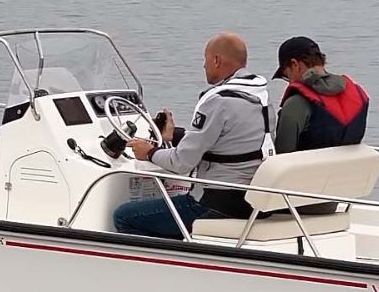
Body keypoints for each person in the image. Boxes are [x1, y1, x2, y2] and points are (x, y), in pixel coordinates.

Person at [113, 32, 272, 239]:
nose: (203, 66)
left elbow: (181, 163)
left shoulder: (217, 101)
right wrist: (175, 135)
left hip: (215, 203)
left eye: (205, 59)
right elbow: (228, 142)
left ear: (216, 60)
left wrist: (149, 152)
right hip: (249, 200)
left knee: (124, 216)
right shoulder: (261, 97)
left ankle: (170, 265)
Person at [271, 36, 369, 153]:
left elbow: (282, 156)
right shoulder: (359, 95)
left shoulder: (296, 103)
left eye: (286, 75)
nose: (289, 81)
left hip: (309, 170)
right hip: (352, 170)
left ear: (294, 64)